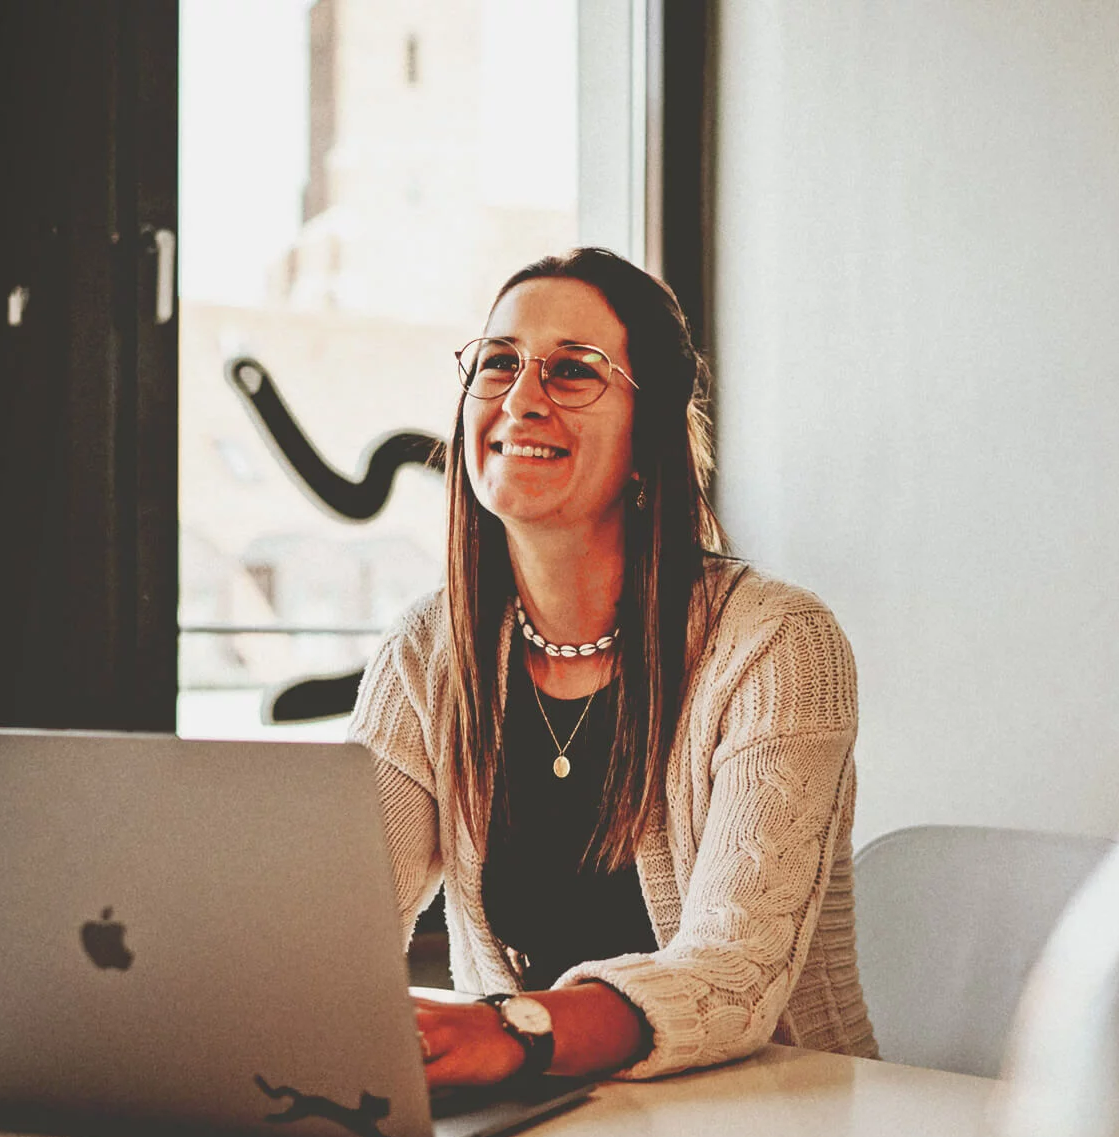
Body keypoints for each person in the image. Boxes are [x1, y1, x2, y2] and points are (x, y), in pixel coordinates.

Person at [349, 247, 880, 1086]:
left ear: (647, 437)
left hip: (777, 1127)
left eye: (572, 372)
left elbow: (732, 974)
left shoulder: (777, 644)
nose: (521, 399)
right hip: (532, 1127)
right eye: (498, 364)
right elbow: (338, 914)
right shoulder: (428, 649)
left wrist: (514, 1031)